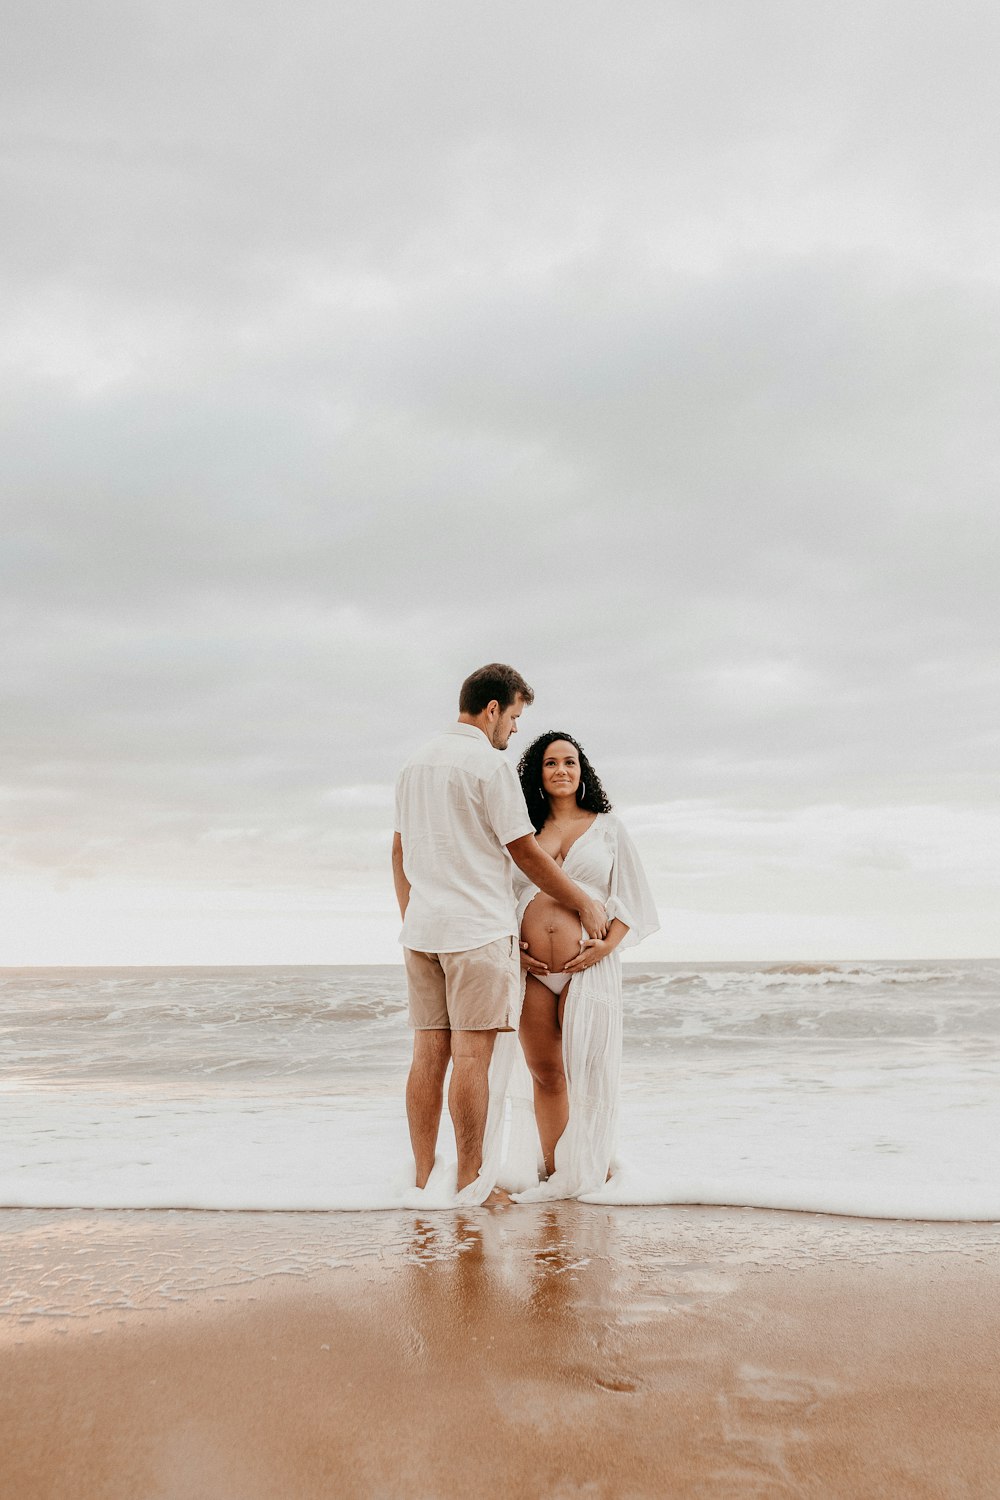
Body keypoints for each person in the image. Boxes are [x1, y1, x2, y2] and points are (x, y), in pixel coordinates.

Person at [392, 666, 609, 1208]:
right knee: (471, 1061)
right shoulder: (489, 766)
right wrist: (582, 899)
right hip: (476, 933)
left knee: (426, 1056)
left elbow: (398, 851)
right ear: (491, 710)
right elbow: (525, 852)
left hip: (422, 932)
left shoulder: (414, 763)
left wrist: (411, 916)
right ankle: (471, 1186)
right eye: (513, 718)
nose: (513, 731)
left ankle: (422, 1183)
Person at [487, 730, 659, 1202]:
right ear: (536, 774)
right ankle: (554, 1174)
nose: (561, 770)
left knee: (590, 1073)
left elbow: (634, 900)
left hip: (590, 966)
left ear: (582, 772)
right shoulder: (522, 832)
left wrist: (607, 948)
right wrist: (510, 948)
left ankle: (594, 1172)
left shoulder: (607, 828)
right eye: (550, 763)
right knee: (546, 1074)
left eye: (570, 762)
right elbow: (498, 895)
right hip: (532, 970)